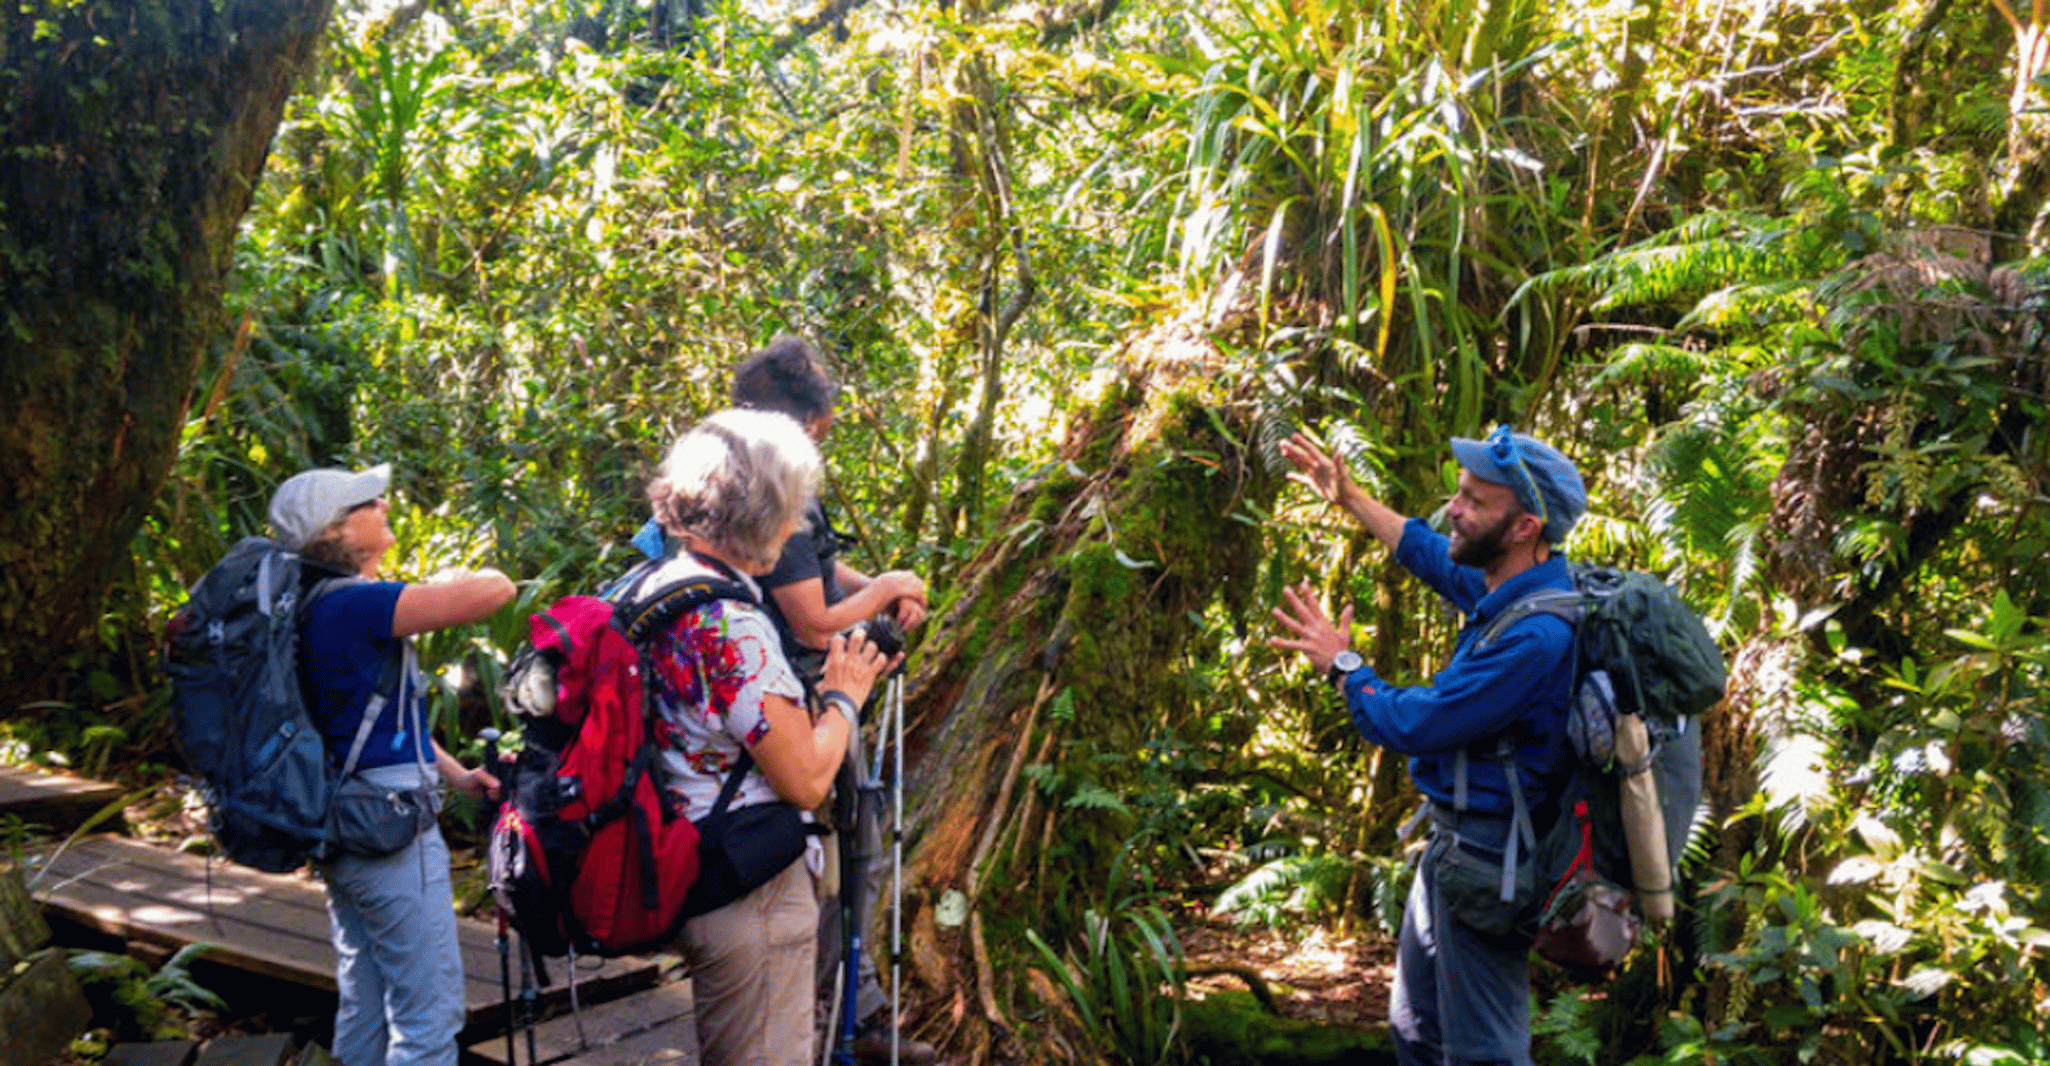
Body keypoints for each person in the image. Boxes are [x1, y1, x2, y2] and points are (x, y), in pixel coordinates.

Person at [1269, 424, 1588, 1066]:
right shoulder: (1508, 590)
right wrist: (1350, 498)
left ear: (1524, 526)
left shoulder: (1537, 637)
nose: (1455, 508)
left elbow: (1418, 721)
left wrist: (1344, 666)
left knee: (1483, 1054)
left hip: (1493, 861)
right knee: (1418, 1034)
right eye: (1459, 491)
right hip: (1454, 850)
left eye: (1474, 499)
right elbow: (1429, 552)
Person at [640, 409, 896, 1066]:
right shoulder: (733, 627)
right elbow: (806, 777)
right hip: (746, 888)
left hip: (686, 857)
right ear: (758, 512)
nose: (795, 526)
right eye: (790, 509)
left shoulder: (658, 588)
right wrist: (846, 691)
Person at [270, 463, 516, 1066]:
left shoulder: (307, 606)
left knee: (368, 998)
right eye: (367, 503)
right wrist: (460, 579)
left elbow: (377, 719)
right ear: (334, 532)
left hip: (345, 817)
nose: (383, 505)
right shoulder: (355, 605)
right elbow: (498, 591)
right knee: (428, 1020)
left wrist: (457, 776)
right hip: (389, 828)